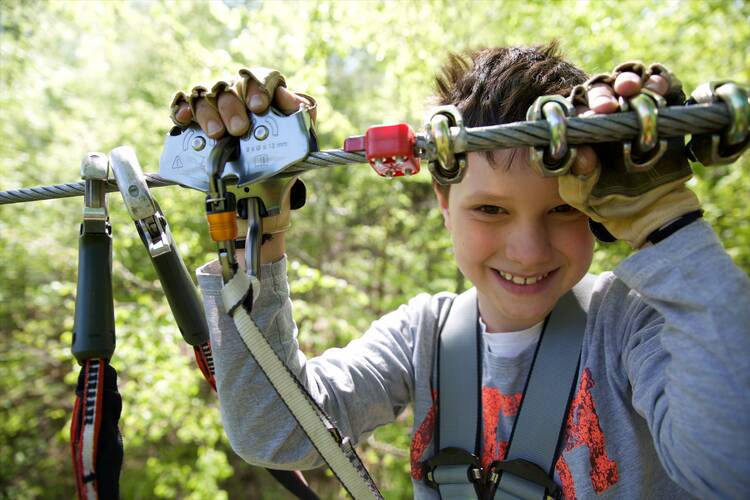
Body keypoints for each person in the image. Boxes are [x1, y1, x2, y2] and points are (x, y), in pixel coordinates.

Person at [170, 43, 750, 498]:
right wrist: (257, 235)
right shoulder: (422, 338)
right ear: (444, 203)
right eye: (491, 209)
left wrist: (665, 224)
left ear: (600, 207)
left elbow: (732, 468)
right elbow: (276, 430)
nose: (527, 250)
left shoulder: (635, 328)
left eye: (564, 209)